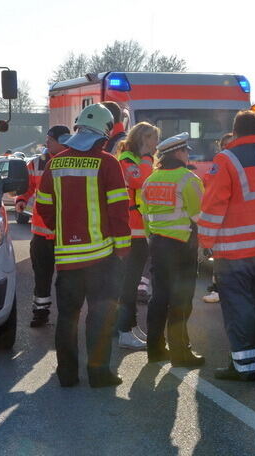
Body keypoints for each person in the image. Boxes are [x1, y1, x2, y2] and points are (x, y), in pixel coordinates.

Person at [35, 103, 131, 388]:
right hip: (102, 258)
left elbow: (44, 207)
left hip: (67, 259)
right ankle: (99, 374)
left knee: (67, 318)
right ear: (104, 134)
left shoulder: (55, 163)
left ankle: (67, 375)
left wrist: (62, 233)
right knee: (99, 318)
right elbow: (119, 211)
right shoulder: (107, 162)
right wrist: (123, 250)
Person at [198, 110, 255, 381]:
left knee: (238, 309)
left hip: (233, 248)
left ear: (235, 132)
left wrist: (206, 241)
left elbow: (214, 204)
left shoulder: (226, 159)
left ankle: (243, 367)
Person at [141, 132, 206, 365]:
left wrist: (153, 238)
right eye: (186, 150)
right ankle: (181, 352)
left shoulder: (151, 180)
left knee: (159, 298)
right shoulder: (189, 180)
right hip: (182, 247)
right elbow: (200, 217)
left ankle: (155, 349)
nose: (188, 154)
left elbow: (144, 215)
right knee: (181, 301)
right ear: (178, 153)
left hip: (158, 245)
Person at [15, 125, 71, 328]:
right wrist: (22, 198)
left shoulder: (71, 161)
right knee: (42, 275)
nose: (46, 143)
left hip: (65, 231)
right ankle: (40, 312)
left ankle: (68, 314)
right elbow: (27, 185)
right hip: (41, 230)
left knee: (66, 277)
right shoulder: (36, 163)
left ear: (62, 141)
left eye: (50, 139)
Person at [115, 122, 159, 350]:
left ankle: (129, 326)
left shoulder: (136, 160)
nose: (156, 143)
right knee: (128, 283)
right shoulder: (130, 160)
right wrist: (147, 158)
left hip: (138, 230)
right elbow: (139, 181)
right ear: (143, 138)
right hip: (131, 231)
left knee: (130, 282)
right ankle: (124, 330)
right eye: (153, 138)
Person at [201, 132, 234, 304]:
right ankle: (217, 288)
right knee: (220, 259)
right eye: (224, 146)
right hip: (223, 225)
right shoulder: (218, 165)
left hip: (234, 224)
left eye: (230, 145)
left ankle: (220, 288)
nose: (227, 149)